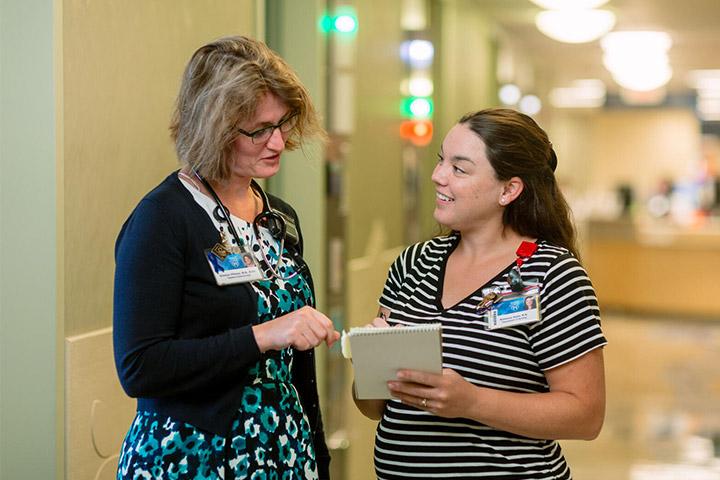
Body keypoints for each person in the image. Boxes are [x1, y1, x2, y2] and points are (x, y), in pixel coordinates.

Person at [113, 35, 339, 480]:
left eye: (283, 123)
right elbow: (141, 368)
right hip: (195, 453)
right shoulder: (163, 218)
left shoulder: (280, 218)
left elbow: (296, 365)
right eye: (258, 130)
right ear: (212, 129)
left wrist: (317, 449)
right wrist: (262, 336)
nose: (277, 142)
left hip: (283, 447)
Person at [354, 108, 607, 479]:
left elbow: (585, 416)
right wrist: (370, 362)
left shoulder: (553, 274)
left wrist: (472, 402)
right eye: (442, 161)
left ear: (509, 190)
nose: (437, 176)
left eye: (459, 168)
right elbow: (373, 407)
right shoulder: (414, 264)